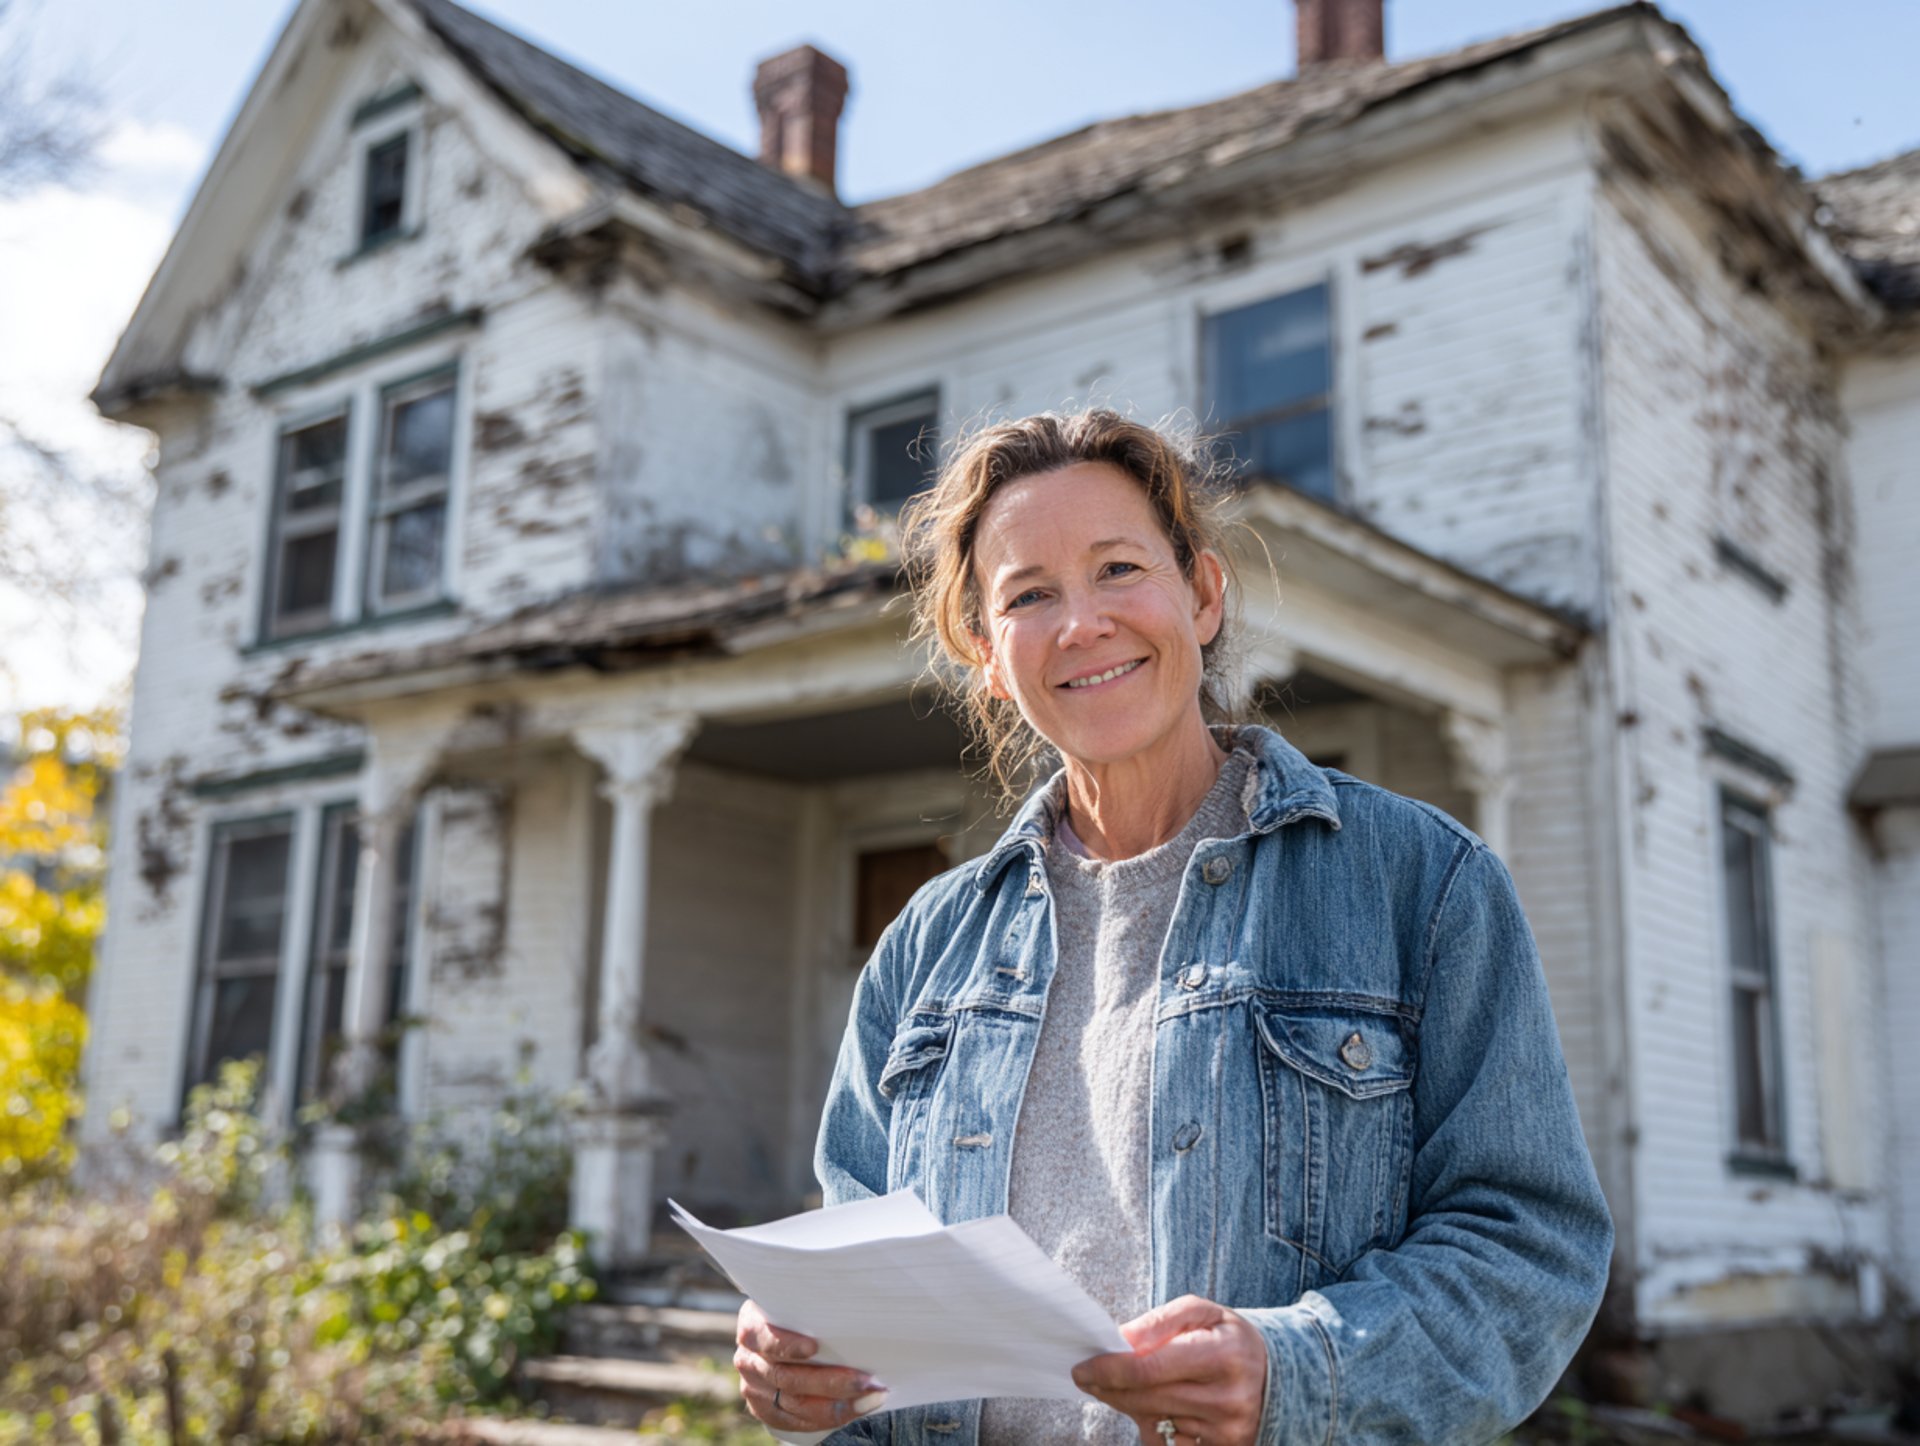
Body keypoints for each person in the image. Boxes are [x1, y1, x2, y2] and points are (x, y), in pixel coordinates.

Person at [731, 409, 1613, 1445]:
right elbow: (857, 1274)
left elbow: (1526, 1253)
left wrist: (1298, 1374)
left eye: (1117, 569)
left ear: (1200, 595)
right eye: (1028, 595)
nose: (1081, 624)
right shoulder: (924, 952)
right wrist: (803, 1358)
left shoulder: (1424, 886)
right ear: (984, 653)